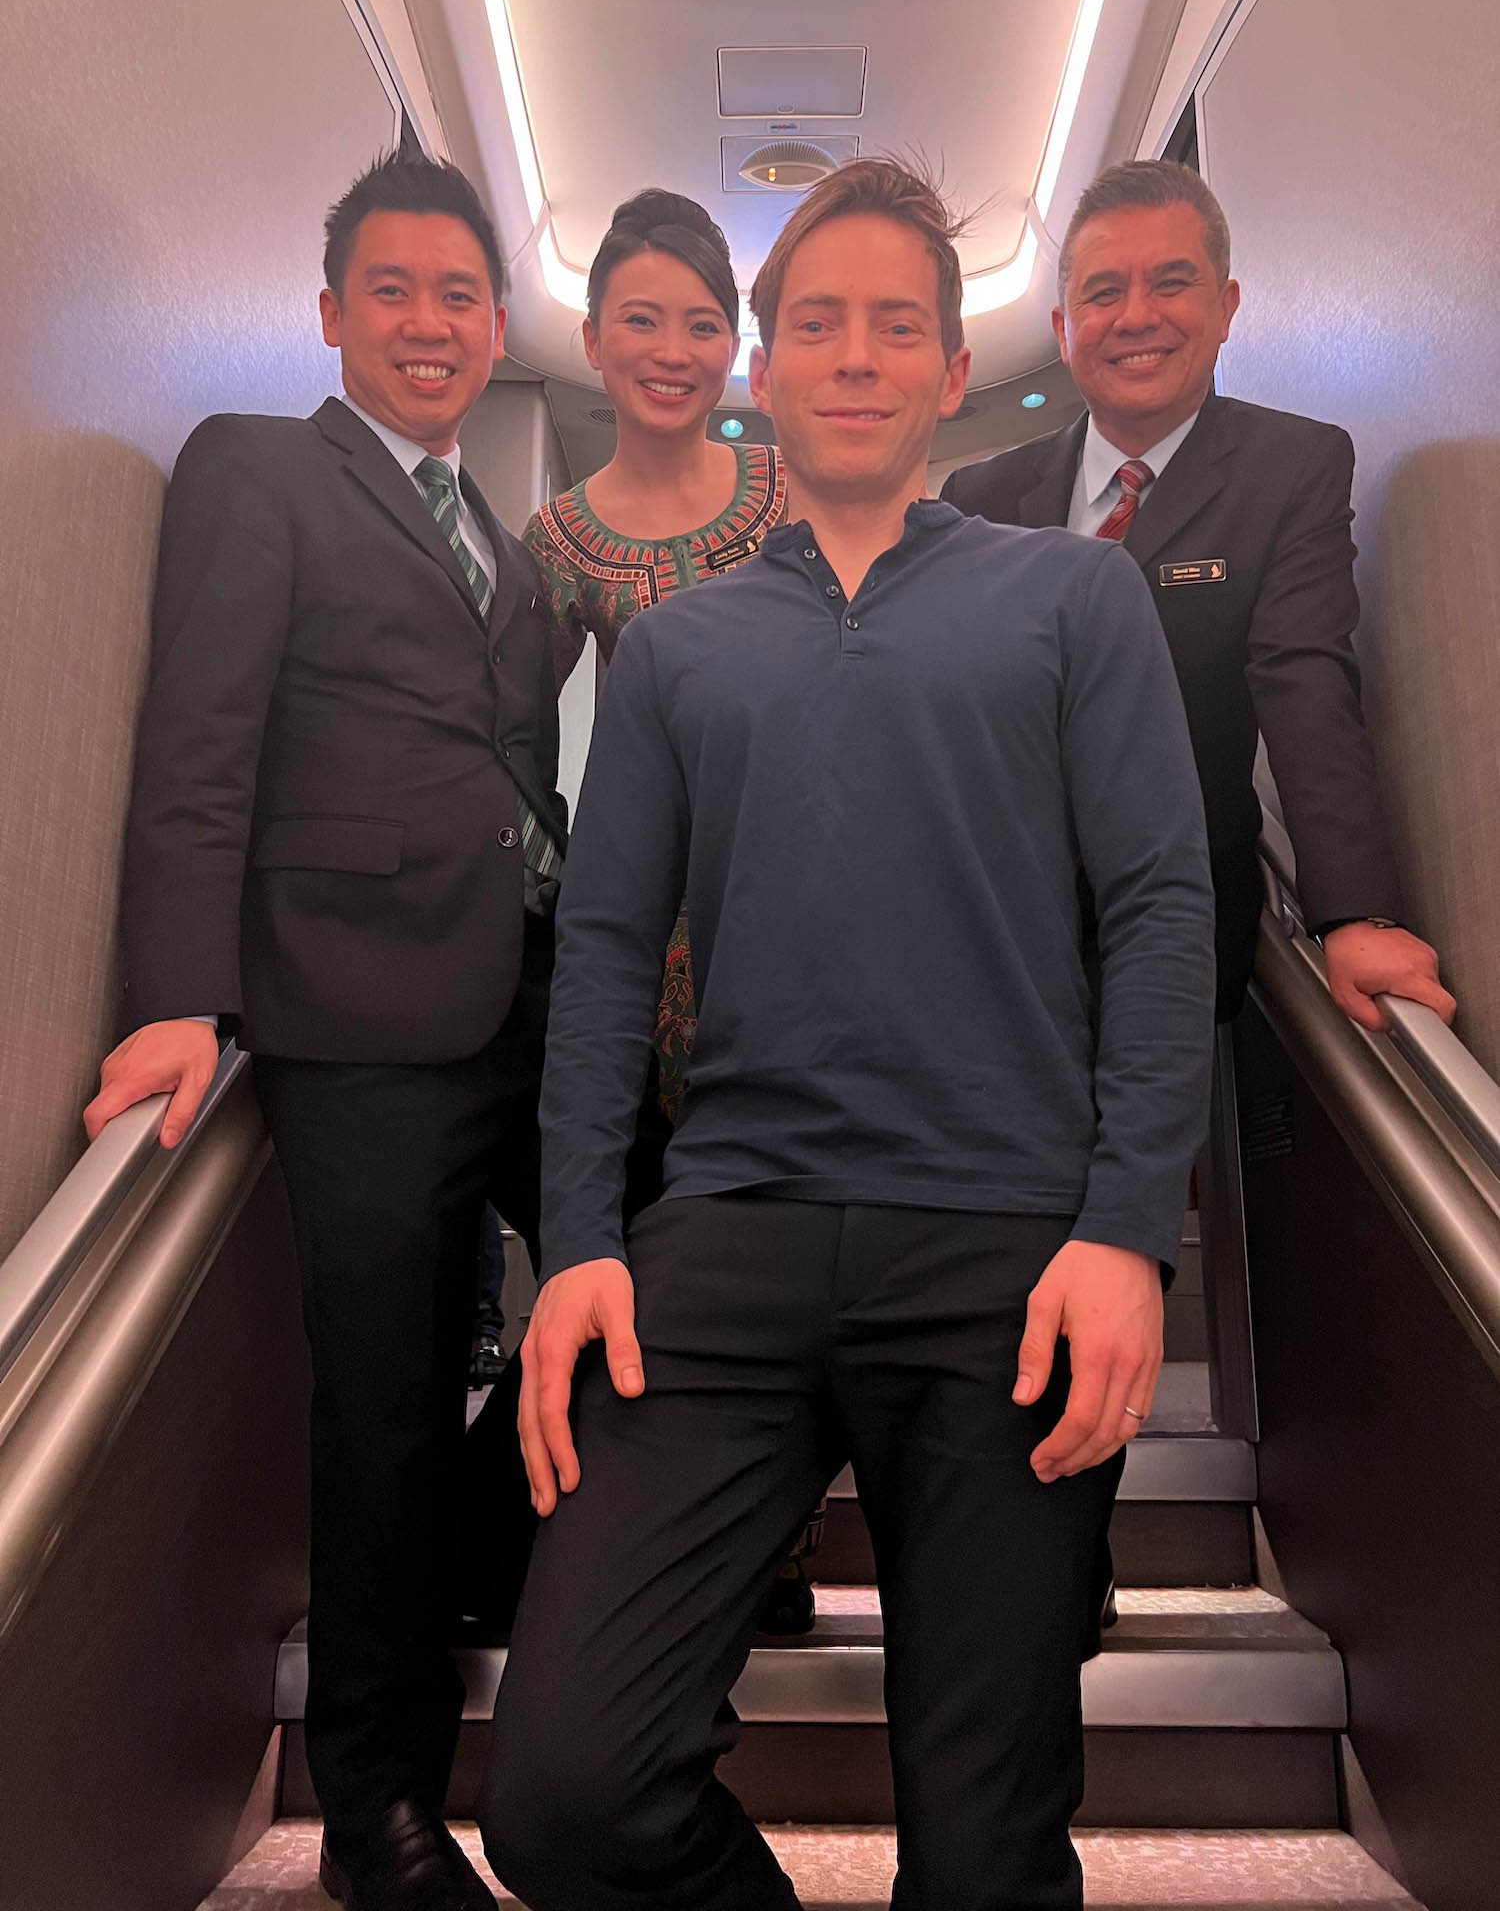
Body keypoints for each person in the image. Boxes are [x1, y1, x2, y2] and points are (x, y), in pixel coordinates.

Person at [479, 158, 1218, 1910]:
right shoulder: (679, 654)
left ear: (954, 373)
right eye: (821, 322)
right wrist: (581, 1244)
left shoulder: (1071, 601)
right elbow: (598, 951)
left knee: (982, 1852)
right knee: (565, 1797)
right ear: (766, 365)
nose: (861, 355)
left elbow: (1162, 915)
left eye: (903, 324)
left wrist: (1127, 1233)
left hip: (1006, 1251)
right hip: (726, 1241)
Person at [83, 154, 563, 1911]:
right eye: (394, 291)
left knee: (674, 1266)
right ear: (332, 314)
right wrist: (174, 999)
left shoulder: (501, 536)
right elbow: (195, 748)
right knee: (378, 1406)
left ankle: (500, 1552)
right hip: (352, 1019)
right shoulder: (256, 469)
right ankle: (378, 1812)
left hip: (531, 994)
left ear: (495, 325)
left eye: (457, 295)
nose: (429, 323)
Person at [943, 158, 1454, 1029]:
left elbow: (1305, 686)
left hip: (1171, 932)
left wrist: (1356, 913)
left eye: (1172, 283)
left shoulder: (1291, 469)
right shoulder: (980, 497)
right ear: (1066, 327)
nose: (1136, 315)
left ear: (1227, 306)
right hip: (986, 924)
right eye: (1105, 293)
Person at [524, 187, 820, 1632]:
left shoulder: (790, 493)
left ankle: (799, 1515)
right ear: (592, 340)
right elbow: (515, 750)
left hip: (807, 904)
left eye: (702, 323)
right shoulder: (557, 541)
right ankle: (708, 1543)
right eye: (641, 318)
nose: (672, 348)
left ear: (736, 348)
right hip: (654, 955)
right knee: (683, 1246)